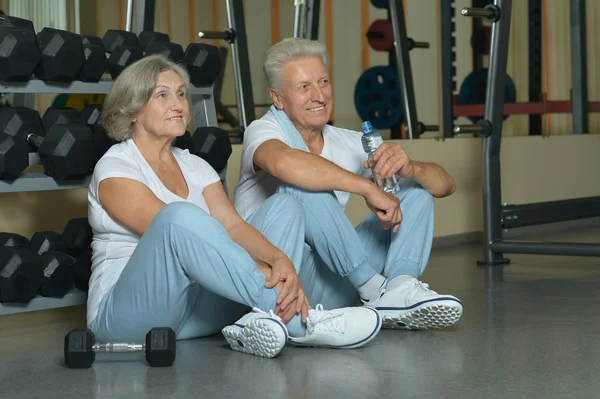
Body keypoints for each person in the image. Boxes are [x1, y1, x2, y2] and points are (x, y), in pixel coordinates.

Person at [85, 54, 382, 359]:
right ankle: (297, 319)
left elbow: (234, 227)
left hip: (196, 313)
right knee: (176, 217)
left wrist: (279, 259)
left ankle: (265, 317)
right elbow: (182, 234)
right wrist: (264, 271)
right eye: (162, 95)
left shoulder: (196, 166)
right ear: (133, 110)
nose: (178, 104)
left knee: (286, 205)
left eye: (181, 94)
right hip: (128, 318)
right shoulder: (115, 167)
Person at [234, 38, 463, 330]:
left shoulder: (350, 141)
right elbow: (285, 164)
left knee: (416, 190)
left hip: (333, 281)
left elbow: (447, 185)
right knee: (302, 184)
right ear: (278, 98)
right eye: (304, 87)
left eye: (324, 82)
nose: (319, 96)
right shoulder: (263, 130)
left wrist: (411, 168)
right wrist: (366, 187)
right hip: (273, 280)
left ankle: (398, 288)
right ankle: (374, 290)